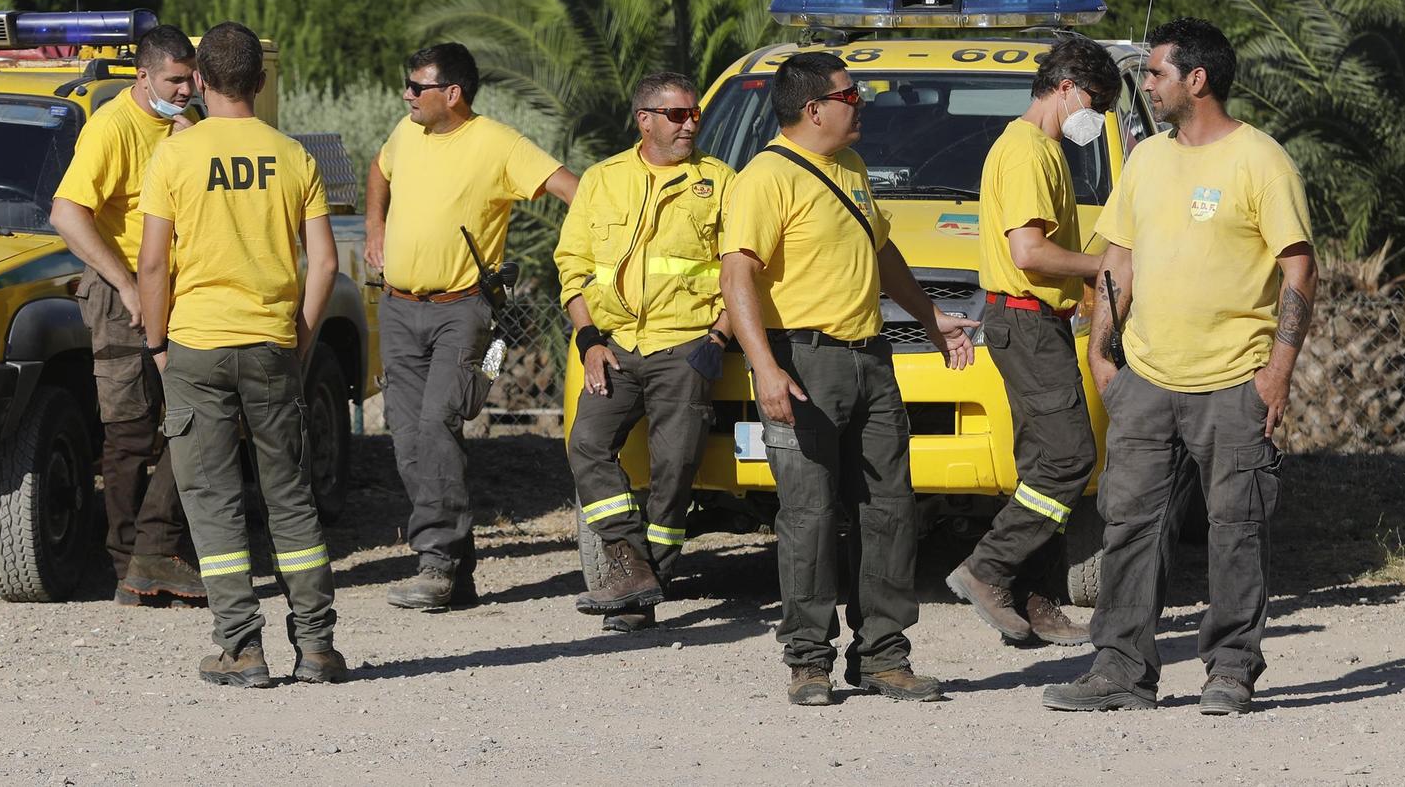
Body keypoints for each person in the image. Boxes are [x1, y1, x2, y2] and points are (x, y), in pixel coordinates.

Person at [1043, 18, 1316, 716]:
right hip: (1147, 383)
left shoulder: (1261, 160)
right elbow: (1119, 258)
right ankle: (1120, 670)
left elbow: (1299, 269)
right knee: (1127, 526)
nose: (1147, 86)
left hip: (1234, 383)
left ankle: (1229, 668)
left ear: (1197, 79)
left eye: (1157, 73)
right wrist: (1104, 350)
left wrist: (1277, 372)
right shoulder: (1148, 159)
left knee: (1235, 526)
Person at [719, 51, 974, 708]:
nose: (861, 103)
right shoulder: (764, 178)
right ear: (814, 108)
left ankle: (884, 656)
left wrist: (931, 316)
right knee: (807, 515)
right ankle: (808, 660)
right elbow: (737, 274)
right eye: (852, 94)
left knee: (888, 510)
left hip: (871, 358)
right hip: (802, 364)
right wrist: (767, 368)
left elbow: (880, 249)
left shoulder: (852, 167)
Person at [136, 22, 345, 688]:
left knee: (213, 499)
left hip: (196, 343)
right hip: (271, 345)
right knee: (290, 497)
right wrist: (299, 339)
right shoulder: (294, 157)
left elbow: (150, 264)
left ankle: (241, 647)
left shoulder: (174, 157)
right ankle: (315, 645)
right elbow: (325, 263)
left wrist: (157, 343)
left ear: (198, 80)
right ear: (259, 82)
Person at [364, 42, 578, 611]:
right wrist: (374, 225)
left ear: (452, 94)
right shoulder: (406, 132)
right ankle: (453, 573)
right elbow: (378, 170)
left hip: (465, 315)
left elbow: (573, 193)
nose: (406, 95)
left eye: (417, 86)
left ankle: (438, 562)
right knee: (407, 439)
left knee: (437, 426)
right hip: (398, 308)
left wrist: (589, 259)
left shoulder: (499, 144)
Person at [946, 35, 1121, 647]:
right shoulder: (1027, 153)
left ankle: (1034, 600)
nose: (1095, 119)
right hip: (1025, 322)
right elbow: (1030, 250)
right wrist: (1096, 269)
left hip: (1032, 321)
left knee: (1041, 467)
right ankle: (987, 568)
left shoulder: (1041, 150)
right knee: (1071, 457)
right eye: (1096, 102)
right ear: (1068, 86)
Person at [556, 72, 735, 634]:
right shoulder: (603, 180)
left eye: (694, 114)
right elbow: (573, 268)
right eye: (677, 115)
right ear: (645, 119)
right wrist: (588, 342)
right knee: (586, 442)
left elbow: (744, 271)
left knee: (675, 469)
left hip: (686, 345)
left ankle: (639, 597)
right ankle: (629, 562)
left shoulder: (721, 181)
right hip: (613, 345)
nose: (690, 124)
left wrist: (718, 339)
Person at [50, 23, 202, 605]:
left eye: (191, 79)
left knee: (189, 424)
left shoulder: (181, 126)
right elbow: (67, 213)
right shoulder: (113, 126)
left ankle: (155, 553)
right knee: (131, 434)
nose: (187, 89)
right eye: (175, 79)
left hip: (180, 293)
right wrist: (128, 284)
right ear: (144, 77)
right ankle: (129, 564)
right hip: (125, 298)